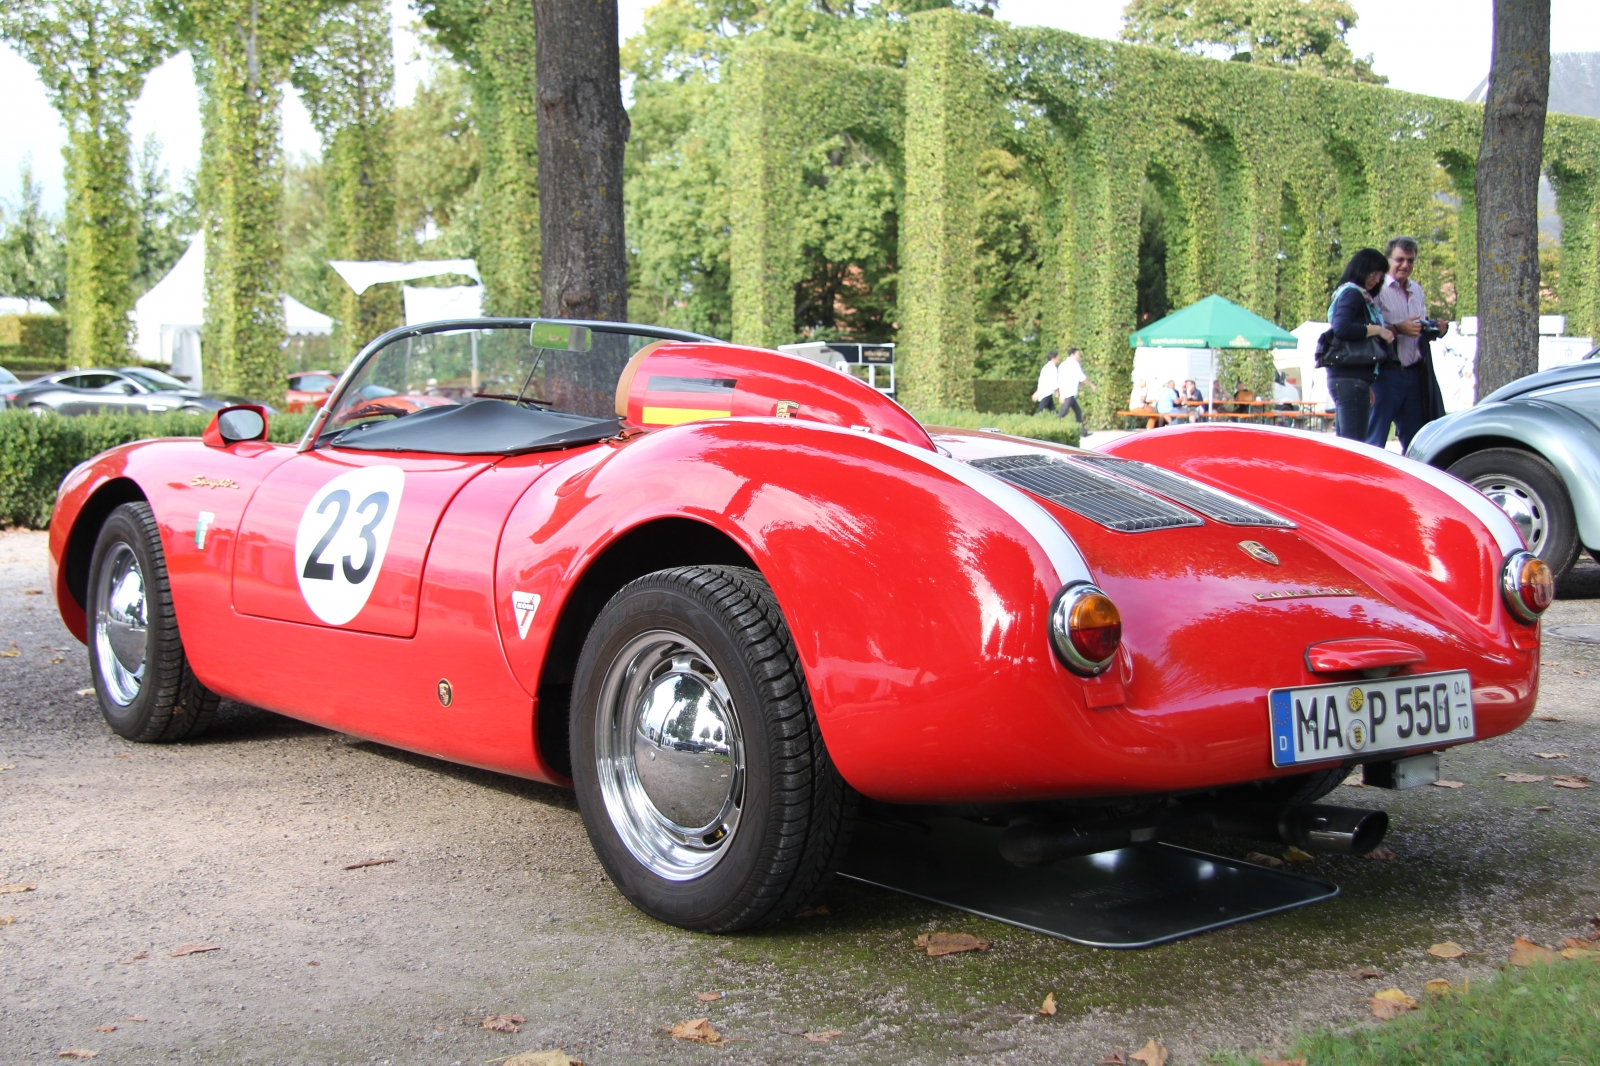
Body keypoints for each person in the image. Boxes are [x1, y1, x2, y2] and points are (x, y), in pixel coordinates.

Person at [1369, 236, 1446, 451]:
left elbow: (1418, 326)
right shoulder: (1377, 289)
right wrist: (1398, 328)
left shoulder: (1417, 289)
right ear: (1388, 260)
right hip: (1385, 374)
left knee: (1418, 444)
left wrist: (1435, 329)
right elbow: (1368, 330)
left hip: (1415, 375)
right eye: (1400, 259)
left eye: (1410, 260)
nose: (1405, 265)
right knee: (1374, 441)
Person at [1325, 248, 1394, 440]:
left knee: (1348, 441)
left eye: (1380, 276)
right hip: (1350, 378)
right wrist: (1378, 330)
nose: (1376, 280)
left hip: (1352, 377)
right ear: (1360, 269)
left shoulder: (1351, 294)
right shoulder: (1353, 295)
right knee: (1354, 445)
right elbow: (1342, 328)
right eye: (1372, 274)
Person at [1054, 348, 1096, 421]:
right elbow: (1081, 378)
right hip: (1070, 392)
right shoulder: (1074, 364)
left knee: (1078, 411)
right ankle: (1054, 425)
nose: (1079, 356)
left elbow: (1059, 380)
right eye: (1078, 355)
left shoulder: (1062, 365)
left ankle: (1082, 431)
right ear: (1072, 354)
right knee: (1063, 412)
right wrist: (1091, 385)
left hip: (1066, 392)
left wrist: (1061, 394)